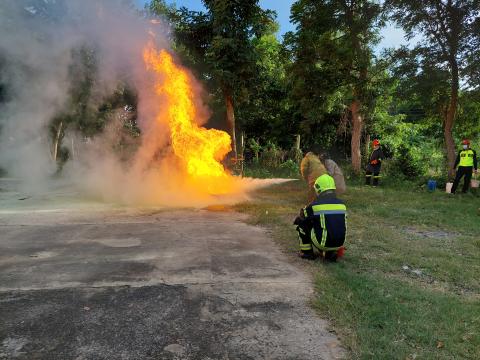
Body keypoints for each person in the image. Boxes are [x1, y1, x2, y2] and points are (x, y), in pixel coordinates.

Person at [293, 174, 347, 262]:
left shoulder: (315, 206)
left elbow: (302, 215)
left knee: (302, 224)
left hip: (323, 243)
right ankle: (329, 254)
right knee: (329, 224)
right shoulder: (342, 204)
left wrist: (310, 204)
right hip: (339, 244)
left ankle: (307, 253)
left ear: (318, 189)